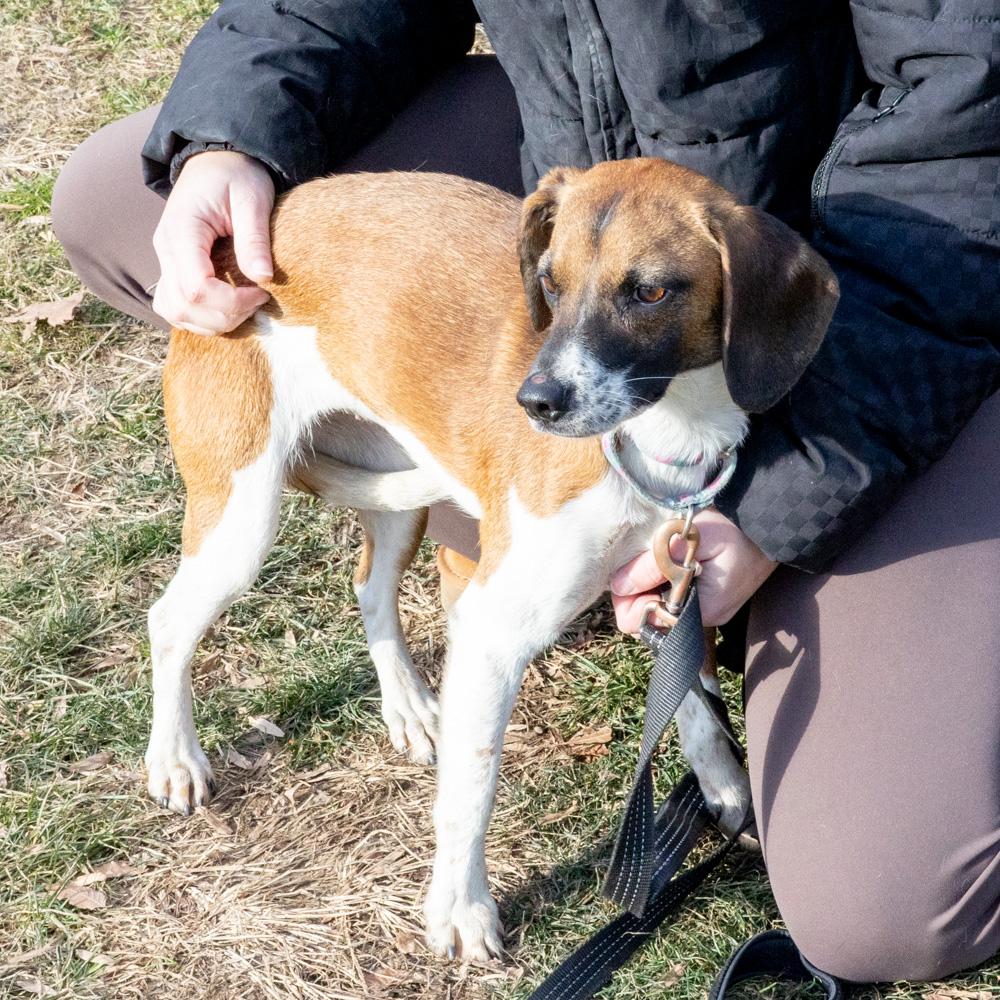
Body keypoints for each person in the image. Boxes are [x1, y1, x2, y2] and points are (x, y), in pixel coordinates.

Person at [52, 1, 1000, 985]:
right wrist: (228, 137)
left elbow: (967, 126)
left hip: (898, 257)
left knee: (882, 908)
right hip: (582, 187)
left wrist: (778, 500)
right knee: (119, 196)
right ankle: (426, 510)